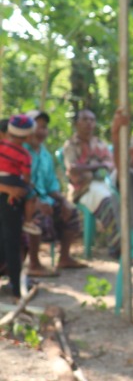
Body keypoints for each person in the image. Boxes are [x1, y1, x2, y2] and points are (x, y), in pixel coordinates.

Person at [24, 110, 86, 276]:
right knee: (37, 215)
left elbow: (51, 185)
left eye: (44, 127)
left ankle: (64, 257)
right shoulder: (20, 151)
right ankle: (34, 263)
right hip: (24, 202)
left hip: (45, 200)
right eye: (36, 126)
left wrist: (63, 201)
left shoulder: (45, 155)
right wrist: (35, 202)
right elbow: (18, 183)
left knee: (70, 211)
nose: (40, 131)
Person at [0, 114, 35, 300]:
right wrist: (13, 188)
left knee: (6, 242)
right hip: (10, 199)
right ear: (28, 136)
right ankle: (16, 291)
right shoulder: (24, 154)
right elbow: (26, 178)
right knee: (12, 242)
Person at [60, 109, 113, 187]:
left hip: (103, 184)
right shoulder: (71, 145)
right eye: (85, 119)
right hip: (81, 189)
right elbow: (72, 168)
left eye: (92, 120)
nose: (89, 122)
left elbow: (110, 163)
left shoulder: (100, 143)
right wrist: (98, 166)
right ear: (76, 124)